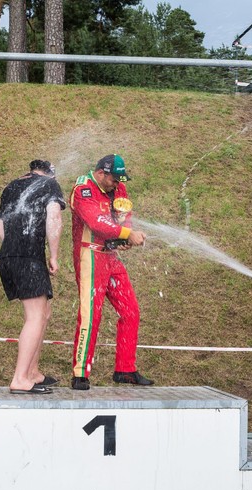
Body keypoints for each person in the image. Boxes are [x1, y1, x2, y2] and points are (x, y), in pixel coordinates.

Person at [69, 154, 152, 391]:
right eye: (114, 179)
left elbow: (124, 216)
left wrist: (125, 235)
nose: (118, 184)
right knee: (90, 314)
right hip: (90, 256)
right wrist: (126, 235)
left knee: (131, 311)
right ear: (102, 173)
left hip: (111, 257)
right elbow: (95, 223)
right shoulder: (83, 188)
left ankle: (125, 369)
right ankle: (80, 373)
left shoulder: (120, 187)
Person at [0, 159, 65, 395]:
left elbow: (0, 226)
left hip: (9, 256)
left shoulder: (12, 186)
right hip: (29, 257)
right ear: (49, 174)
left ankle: (33, 372)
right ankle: (20, 378)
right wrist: (54, 256)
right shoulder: (49, 185)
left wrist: (13, 250)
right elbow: (54, 219)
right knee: (35, 317)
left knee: (44, 313)